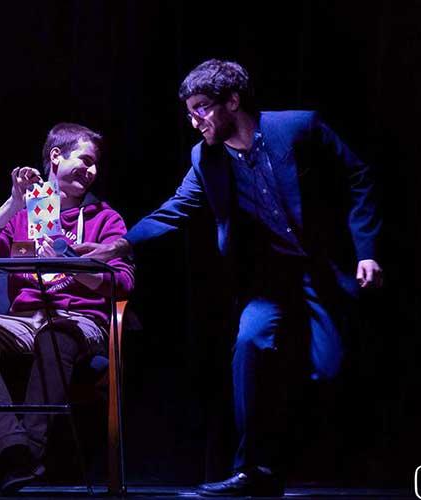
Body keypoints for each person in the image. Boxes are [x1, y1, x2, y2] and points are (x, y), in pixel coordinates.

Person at [75, 59, 383, 496]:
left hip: (326, 268)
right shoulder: (206, 157)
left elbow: (359, 175)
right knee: (249, 345)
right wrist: (118, 245)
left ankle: (317, 458)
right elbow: (176, 208)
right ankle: (253, 470)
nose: (194, 121)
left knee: (328, 370)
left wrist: (367, 251)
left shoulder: (299, 128)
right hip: (270, 277)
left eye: (201, 108)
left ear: (233, 101)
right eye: (189, 112)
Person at [0, 123, 134, 495]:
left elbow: (124, 282)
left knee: (56, 335)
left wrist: (74, 266)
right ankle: (14, 450)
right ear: (56, 157)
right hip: (24, 320)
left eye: (96, 164)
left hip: (79, 321)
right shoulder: (24, 217)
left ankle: (27, 455)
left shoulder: (105, 218)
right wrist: (13, 203)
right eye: (85, 160)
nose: (92, 170)